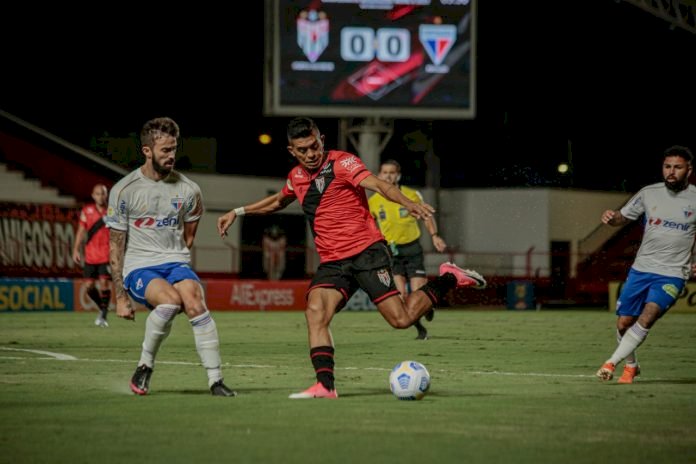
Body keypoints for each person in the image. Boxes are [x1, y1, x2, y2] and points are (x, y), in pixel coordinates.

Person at [217, 117, 486, 399]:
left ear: (321, 139)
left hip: (366, 252)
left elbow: (380, 185)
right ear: (291, 151)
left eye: (313, 146)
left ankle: (449, 278)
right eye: (303, 150)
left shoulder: (342, 163)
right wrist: (237, 212)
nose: (310, 154)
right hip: (333, 262)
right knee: (315, 311)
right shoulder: (296, 177)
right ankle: (325, 386)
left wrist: (409, 203)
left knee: (401, 319)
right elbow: (276, 202)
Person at [105, 116, 236, 397]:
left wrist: (176, 257)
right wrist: (120, 296)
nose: (171, 155)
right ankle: (144, 366)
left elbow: (189, 237)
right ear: (147, 151)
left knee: (195, 303)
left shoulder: (189, 189)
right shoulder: (124, 190)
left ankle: (216, 381)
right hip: (139, 266)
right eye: (165, 150)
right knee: (170, 302)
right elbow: (115, 246)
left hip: (175, 262)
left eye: (174, 148)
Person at [596, 145, 696, 384]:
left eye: (677, 167)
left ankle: (611, 364)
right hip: (641, 269)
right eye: (667, 166)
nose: (671, 172)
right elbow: (623, 217)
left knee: (648, 316)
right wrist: (612, 218)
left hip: (672, 273)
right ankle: (632, 365)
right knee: (623, 323)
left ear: (689, 170)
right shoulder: (648, 193)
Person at [368, 159, 448, 340]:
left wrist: (434, 235)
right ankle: (420, 329)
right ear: (379, 176)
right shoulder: (373, 201)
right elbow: (370, 226)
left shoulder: (411, 195)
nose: (388, 175)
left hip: (412, 249)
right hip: (391, 252)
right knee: (401, 296)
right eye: (385, 172)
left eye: (392, 172)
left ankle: (428, 304)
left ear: (398, 175)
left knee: (418, 290)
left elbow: (426, 216)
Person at [72, 183, 111, 328]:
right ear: (93, 195)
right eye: (98, 194)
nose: (101, 196)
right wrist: (75, 249)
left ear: (106, 195)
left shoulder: (112, 211)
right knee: (88, 286)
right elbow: (81, 231)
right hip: (90, 255)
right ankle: (102, 308)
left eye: (103, 193)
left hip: (106, 255)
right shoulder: (87, 211)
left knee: (104, 284)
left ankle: (104, 315)